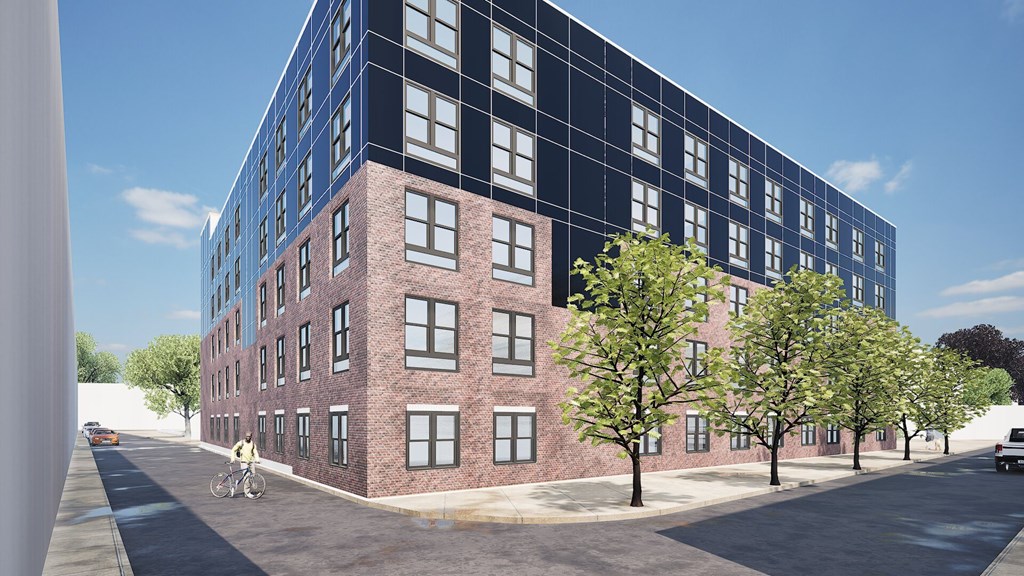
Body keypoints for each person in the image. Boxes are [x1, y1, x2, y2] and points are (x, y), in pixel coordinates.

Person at [230, 431, 260, 498]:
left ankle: (248, 491)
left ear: (251, 436)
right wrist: (232, 459)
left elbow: (255, 452)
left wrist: (257, 460)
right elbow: (233, 450)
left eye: (249, 436)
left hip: (251, 462)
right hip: (244, 462)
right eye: (247, 436)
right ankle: (247, 492)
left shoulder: (252, 444)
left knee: (252, 476)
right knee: (247, 477)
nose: (247, 437)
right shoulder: (241, 443)